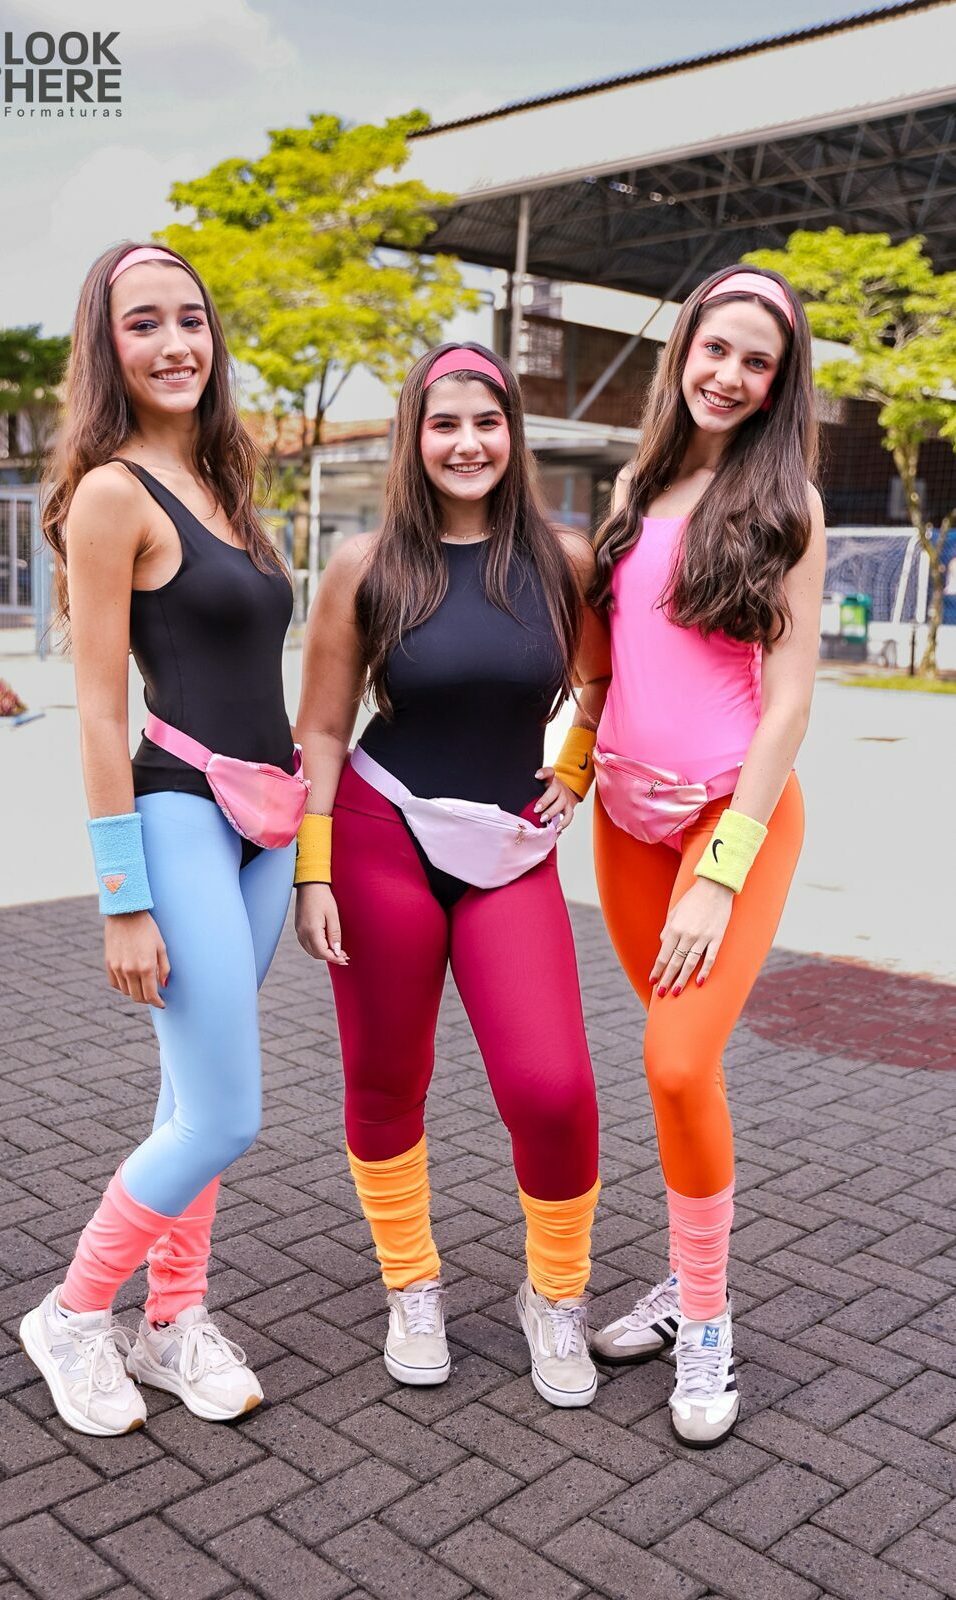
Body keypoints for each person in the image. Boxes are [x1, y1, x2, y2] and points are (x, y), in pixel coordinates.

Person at [293, 343, 610, 1408]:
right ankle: (411, 1284)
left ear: (512, 432)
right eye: (443, 423)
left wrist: (576, 764)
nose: (466, 442)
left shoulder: (562, 560)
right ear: (413, 437)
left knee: (552, 1088)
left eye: (486, 421)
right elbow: (321, 728)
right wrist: (311, 870)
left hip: (510, 851)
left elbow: (605, 679)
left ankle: (553, 1295)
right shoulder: (365, 563)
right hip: (378, 835)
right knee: (387, 1079)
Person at [21, 242, 303, 1436]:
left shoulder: (225, 480)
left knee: (193, 1097)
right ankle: (74, 1312)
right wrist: (121, 896)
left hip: (269, 825)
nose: (176, 341)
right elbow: (96, 708)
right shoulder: (111, 493)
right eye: (144, 323)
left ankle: (172, 1317)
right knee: (225, 1115)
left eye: (191, 318)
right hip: (180, 813)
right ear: (108, 347)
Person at [578, 267, 825, 1447]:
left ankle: (708, 1318)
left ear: (778, 384)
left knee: (674, 1063)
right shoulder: (634, 485)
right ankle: (684, 1277)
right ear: (682, 351)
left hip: (730, 821)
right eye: (713, 349)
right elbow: (606, 661)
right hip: (623, 820)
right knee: (686, 1064)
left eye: (754, 362)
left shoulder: (788, 505)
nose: (726, 375)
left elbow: (787, 707)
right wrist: (568, 764)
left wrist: (719, 872)